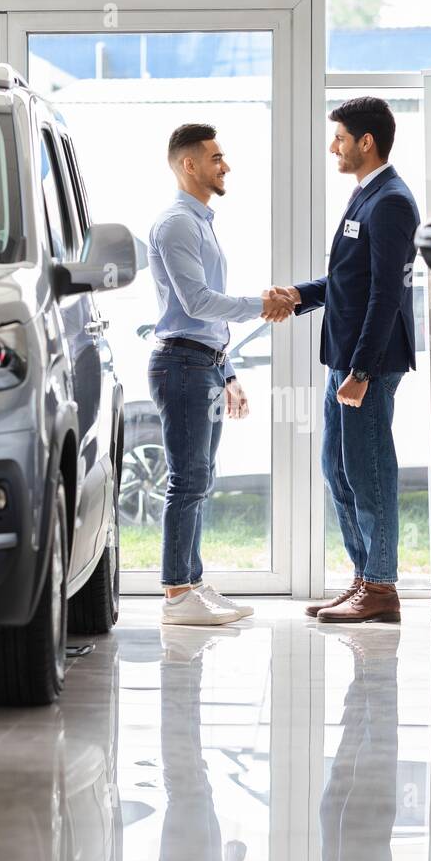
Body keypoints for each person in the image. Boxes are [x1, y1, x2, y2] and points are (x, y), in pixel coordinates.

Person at [272, 97, 420, 623]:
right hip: (345, 358)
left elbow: (385, 294)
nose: (332, 147)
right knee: (337, 468)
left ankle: (380, 587)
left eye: (339, 138)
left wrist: (360, 371)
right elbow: (348, 280)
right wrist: (299, 295)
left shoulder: (392, 201)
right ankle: (364, 576)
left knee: (369, 471)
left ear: (366, 142)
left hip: (367, 364)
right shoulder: (367, 195)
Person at [149, 122, 295, 625]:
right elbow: (196, 303)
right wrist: (261, 305)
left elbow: (203, 318)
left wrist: (227, 372)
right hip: (182, 365)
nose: (225, 165)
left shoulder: (199, 221)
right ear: (189, 164)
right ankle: (176, 595)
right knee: (187, 480)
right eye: (216, 158)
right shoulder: (176, 224)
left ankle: (191, 584)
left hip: (202, 363)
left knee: (200, 479)